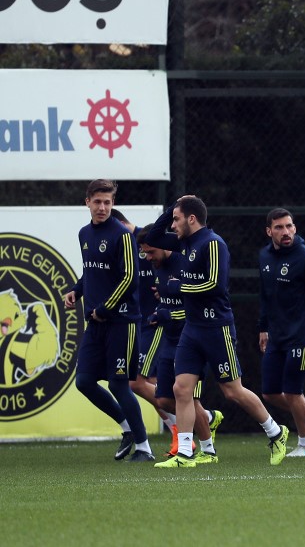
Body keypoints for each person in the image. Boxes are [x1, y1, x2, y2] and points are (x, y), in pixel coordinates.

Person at [141, 195, 290, 468]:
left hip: (216, 327)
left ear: (192, 219)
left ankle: (276, 432)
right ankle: (185, 454)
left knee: (233, 391)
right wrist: (176, 204)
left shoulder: (213, 243)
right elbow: (153, 236)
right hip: (192, 329)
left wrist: (179, 287)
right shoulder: (183, 242)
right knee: (181, 389)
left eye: (177, 219)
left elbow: (215, 285)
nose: (172, 225)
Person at [62, 179, 153, 462]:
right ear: (87, 202)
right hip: (96, 321)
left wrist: (105, 308)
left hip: (122, 321)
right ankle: (127, 428)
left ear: (113, 204)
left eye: (107, 202)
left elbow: (130, 278)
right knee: (84, 381)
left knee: (118, 384)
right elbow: (91, 272)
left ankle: (144, 448)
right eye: (97, 202)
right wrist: (77, 291)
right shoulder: (84, 233)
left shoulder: (122, 235)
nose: (102, 207)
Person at [257, 208, 305, 457]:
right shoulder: (264, 256)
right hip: (276, 336)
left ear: (295, 228)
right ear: (269, 231)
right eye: (279, 227)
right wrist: (263, 328)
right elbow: (265, 296)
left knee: (292, 391)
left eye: (289, 226)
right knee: (270, 392)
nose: (286, 232)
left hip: (300, 336)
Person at [138, 231, 220, 461]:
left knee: (191, 398)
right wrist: (160, 313)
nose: (148, 257)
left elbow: (197, 305)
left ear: (164, 246)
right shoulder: (158, 265)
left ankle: (207, 450)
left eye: (151, 252)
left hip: (191, 338)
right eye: (144, 253)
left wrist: (168, 315)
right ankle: (208, 418)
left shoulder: (185, 264)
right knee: (164, 399)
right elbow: (168, 300)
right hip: (169, 338)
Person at [111, 208, 174, 441]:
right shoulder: (122, 246)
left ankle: (198, 419)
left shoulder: (148, 239)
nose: (148, 257)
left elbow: (171, 267)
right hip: (136, 324)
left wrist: (167, 290)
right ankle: (182, 431)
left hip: (155, 323)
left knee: (136, 382)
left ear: (120, 224)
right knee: (154, 385)